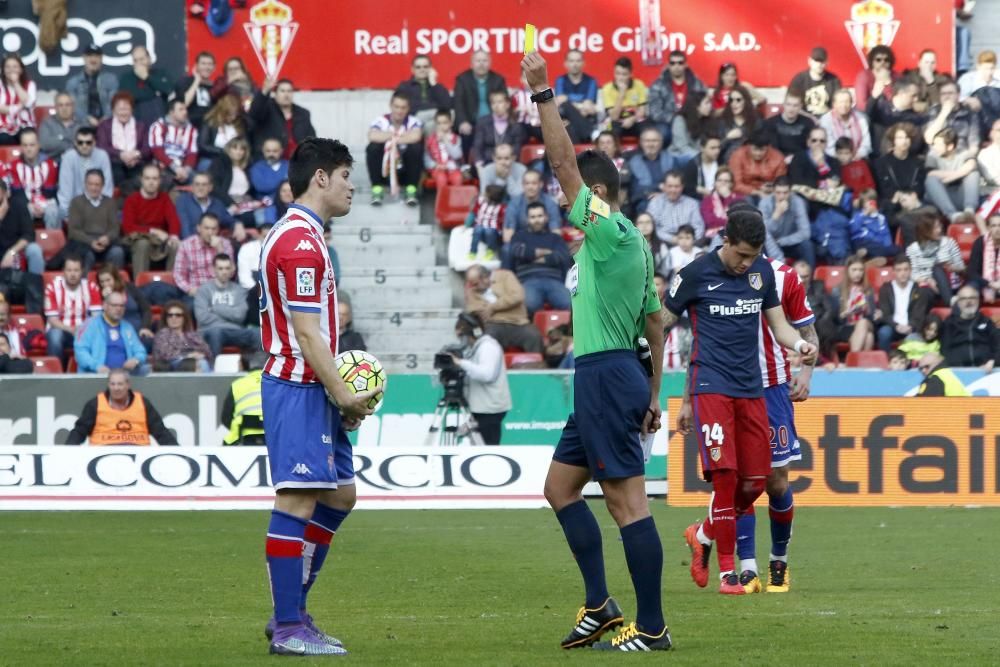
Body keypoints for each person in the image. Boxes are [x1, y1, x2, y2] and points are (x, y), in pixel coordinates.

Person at [520, 50, 673, 653]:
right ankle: (600, 605)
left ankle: (655, 628)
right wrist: (657, 393)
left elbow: (562, 164)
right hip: (609, 376)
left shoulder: (609, 231)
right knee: (560, 488)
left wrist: (542, 93)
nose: (566, 199)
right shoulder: (613, 249)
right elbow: (657, 323)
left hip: (608, 375)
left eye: (579, 191)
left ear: (599, 192)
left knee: (626, 503)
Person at [257, 137, 376, 656]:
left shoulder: (305, 237)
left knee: (340, 495)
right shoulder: (301, 244)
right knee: (297, 500)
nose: (353, 185)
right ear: (321, 177)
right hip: (300, 385)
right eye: (346, 174)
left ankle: (290, 609)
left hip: (314, 387)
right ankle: (288, 626)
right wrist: (345, 394)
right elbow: (307, 334)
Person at [671, 207, 817, 596]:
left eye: (753, 256)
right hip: (713, 387)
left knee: (761, 481)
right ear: (725, 240)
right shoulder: (696, 274)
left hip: (761, 389)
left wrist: (803, 348)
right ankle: (733, 572)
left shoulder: (768, 274)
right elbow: (668, 329)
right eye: (741, 255)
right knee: (726, 476)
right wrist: (680, 396)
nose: (746, 264)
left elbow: (786, 324)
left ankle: (702, 533)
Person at [731, 253, 819, 594]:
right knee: (742, 480)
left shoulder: (784, 277)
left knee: (776, 481)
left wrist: (807, 373)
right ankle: (748, 568)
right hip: (732, 390)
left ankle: (778, 560)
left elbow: (807, 330)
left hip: (773, 389)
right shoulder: (714, 272)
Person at [66, 369, 177, 444]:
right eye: (112, 384)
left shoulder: (142, 403)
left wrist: (178, 453)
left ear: (128, 385)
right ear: (108, 385)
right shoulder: (95, 404)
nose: (116, 388)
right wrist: (65, 452)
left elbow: (161, 432)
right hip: (103, 454)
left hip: (138, 453)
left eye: (120, 384)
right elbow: (79, 432)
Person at [449, 311, 511, 445]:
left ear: (468, 334)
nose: (460, 341)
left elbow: (486, 374)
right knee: (478, 448)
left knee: (487, 451)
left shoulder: (488, 347)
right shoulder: (475, 348)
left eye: (461, 337)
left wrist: (460, 363)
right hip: (481, 408)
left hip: (489, 409)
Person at [509, 202, 572, 315]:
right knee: (529, 305)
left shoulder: (555, 238)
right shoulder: (519, 236)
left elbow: (562, 256)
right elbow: (516, 251)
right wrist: (546, 253)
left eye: (539, 216)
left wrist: (531, 255)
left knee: (570, 303)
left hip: (554, 281)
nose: (537, 220)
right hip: (528, 281)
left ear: (546, 217)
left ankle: (564, 331)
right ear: (527, 219)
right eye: (533, 217)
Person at [464, 264, 543, 354]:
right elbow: (476, 309)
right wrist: (506, 304)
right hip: (493, 324)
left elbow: (517, 297)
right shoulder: (472, 290)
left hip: (517, 322)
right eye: (471, 284)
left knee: (533, 335)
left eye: (475, 284)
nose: (473, 287)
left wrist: (492, 307)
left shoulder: (505, 276)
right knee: (486, 339)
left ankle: (535, 365)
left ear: (485, 278)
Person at [120, 163, 181, 274]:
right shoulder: (131, 200)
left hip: (160, 243)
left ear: (159, 181)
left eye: (154, 179)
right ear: (141, 180)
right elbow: (128, 227)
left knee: (175, 245)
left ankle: (170, 284)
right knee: (143, 244)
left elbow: (174, 220)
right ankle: (140, 286)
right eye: (147, 178)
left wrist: (174, 236)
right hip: (137, 240)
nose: (151, 182)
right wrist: (153, 231)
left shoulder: (164, 198)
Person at [366, 92, 423, 206]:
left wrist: (389, 138)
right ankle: (377, 190)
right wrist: (401, 136)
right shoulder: (381, 120)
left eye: (403, 107)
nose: (399, 111)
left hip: (405, 171)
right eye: (396, 107)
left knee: (416, 148)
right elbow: (372, 136)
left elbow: (416, 136)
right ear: (391, 106)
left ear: (408, 108)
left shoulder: (414, 121)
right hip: (385, 171)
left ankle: (411, 191)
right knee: (373, 147)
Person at [44, 253, 102, 364]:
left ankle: (94, 370)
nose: (73, 274)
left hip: (85, 330)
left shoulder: (91, 287)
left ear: (82, 271)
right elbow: (53, 321)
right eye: (69, 270)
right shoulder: (52, 288)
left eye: (76, 270)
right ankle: (56, 375)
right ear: (63, 271)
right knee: (55, 335)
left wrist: (82, 329)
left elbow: (97, 317)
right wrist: (71, 329)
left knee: (99, 332)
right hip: (61, 330)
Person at [194, 253, 255, 357]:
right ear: (214, 270)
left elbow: (240, 316)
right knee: (216, 333)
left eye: (227, 268)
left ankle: (257, 369)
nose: (224, 272)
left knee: (257, 334)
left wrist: (214, 309)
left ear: (231, 270)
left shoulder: (239, 290)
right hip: (210, 331)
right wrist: (230, 315)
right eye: (220, 268)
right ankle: (213, 371)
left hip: (235, 331)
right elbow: (202, 317)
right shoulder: (203, 290)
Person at [74, 290, 148, 375]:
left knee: (146, 369)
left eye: (122, 306)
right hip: (96, 375)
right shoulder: (89, 325)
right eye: (114, 305)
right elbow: (80, 352)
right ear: (105, 306)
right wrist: (97, 366)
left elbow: (140, 351)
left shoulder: (128, 327)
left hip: (124, 377)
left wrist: (136, 360)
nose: (119, 309)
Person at [65, 168, 123, 271]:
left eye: (97, 185)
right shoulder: (76, 202)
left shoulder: (110, 203)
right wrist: (91, 242)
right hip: (85, 244)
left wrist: (107, 238)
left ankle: (115, 284)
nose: (93, 188)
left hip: (105, 244)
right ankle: (84, 283)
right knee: (86, 254)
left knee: (117, 252)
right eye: (91, 184)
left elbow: (115, 228)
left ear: (102, 185)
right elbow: (73, 231)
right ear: (85, 184)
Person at [0, 183, 44, 313]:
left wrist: (12, 251)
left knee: (34, 249)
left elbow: (29, 234)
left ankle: (37, 296)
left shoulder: (18, 205)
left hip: (16, 253)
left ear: (6, 193)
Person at [453, 51, 507, 155]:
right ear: (472, 63)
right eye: (478, 61)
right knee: (466, 134)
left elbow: (504, 102)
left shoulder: (498, 79)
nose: (481, 64)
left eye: (484, 60)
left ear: (490, 63)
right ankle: (466, 166)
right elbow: (458, 103)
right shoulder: (462, 79)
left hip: (493, 121)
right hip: (471, 123)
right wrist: (463, 121)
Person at [648, 49, 707, 144]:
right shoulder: (658, 84)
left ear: (685, 65)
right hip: (667, 123)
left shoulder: (696, 82)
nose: (677, 66)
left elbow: (706, 102)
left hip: (692, 121)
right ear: (668, 65)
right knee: (662, 133)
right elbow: (654, 112)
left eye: (680, 63)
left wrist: (701, 110)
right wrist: (676, 119)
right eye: (673, 63)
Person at [96, 91, 151, 194]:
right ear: (113, 110)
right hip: (114, 163)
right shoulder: (105, 126)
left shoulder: (141, 126)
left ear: (132, 110)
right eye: (120, 109)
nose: (123, 112)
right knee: (117, 173)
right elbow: (102, 147)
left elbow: (147, 149)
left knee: (141, 175)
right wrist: (121, 154)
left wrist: (135, 154)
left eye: (126, 109)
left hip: (136, 162)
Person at [875, 254, 931, 351]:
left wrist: (911, 326)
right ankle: (887, 362)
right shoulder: (886, 289)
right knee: (884, 332)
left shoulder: (919, 290)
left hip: (911, 327)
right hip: (892, 326)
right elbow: (885, 313)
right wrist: (896, 326)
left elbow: (919, 314)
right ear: (893, 271)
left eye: (906, 269)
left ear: (910, 270)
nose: (903, 273)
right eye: (899, 270)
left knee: (916, 336)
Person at [249, 78, 316, 159]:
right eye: (282, 91)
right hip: (271, 160)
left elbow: (311, 139)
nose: (286, 94)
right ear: (275, 93)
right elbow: (254, 113)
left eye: (289, 91)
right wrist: (264, 91)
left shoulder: (303, 113)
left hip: (297, 162)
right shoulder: (266, 108)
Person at [906, 213, 965, 304]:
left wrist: (952, 267)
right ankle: (950, 301)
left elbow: (961, 266)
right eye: (935, 228)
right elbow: (913, 274)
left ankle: (949, 300)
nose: (939, 230)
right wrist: (927, 280)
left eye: (939, 226)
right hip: (928, 286)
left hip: (950, 283)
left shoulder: (948, 242)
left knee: (937, 268)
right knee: (923, 293)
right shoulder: (913, 249)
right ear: (924, 230)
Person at [56, 126, 113, 219]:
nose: (84, 145)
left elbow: (107, 189)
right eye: (80, 142)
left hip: (98, 210)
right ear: (75, 143)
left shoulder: (102, 156)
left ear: (94, 143)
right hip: (74, 210)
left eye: (88, 142)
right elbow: (65, 192)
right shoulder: (68, 157)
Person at [8, 128, 60, 229]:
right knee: (22, 210)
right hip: (25, 204)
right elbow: (17, 194)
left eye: (32, 145)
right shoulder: (14, 166)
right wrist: (30, 205)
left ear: (38, 145)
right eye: (25, 145)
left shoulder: (50, 165)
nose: (28, 149)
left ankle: (52, 242)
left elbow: (50, 193)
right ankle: (26, 240)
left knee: (53, 211)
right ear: (21, 147)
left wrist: (41, 205)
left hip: (46, 202)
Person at [173, 213, 234, 299]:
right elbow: (178, 274)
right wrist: (190, 289)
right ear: (199, 228)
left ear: (218, 230)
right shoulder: (186, 245)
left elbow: (231, 274)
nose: (210, 232)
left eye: (214, 229)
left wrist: (220, 250)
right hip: (195, 292)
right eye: (207, 228)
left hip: (220, 292)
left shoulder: (225, 244)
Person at [758, 177, 814, 268]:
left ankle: (808, 280)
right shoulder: (764, 203)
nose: (782, 196)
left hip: (790, 242)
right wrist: (776, 215)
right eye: (778, 192)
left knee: (807, 245)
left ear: (791, 192)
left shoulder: (798, 202)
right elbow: (762, 231)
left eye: (785, 193)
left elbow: (805, 233)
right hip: (769, 244)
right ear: (773, 191)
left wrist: (782, 241)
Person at [940, 286, 1000, 370]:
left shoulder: (987, 322)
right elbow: (944, 350)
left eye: (972, 298)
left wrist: (993, 361)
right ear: (958, 302)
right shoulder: (949, 323)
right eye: (964, 298)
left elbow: (998, 345)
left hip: (986, 371)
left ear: (978, 300)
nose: (968, 301)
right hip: (958, 372)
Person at [95, 263, 153, 350]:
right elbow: (101, 319)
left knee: (148, 341)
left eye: (108, 280)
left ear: (115, 278)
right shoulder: (99, 295)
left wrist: (144, 327)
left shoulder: (130, 288)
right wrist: (105, 299)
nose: (105, 284)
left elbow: (146, 310)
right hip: (115, 333)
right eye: (102, 281)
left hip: (138, 330)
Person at [925, 127, 980, 219]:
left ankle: (969, 211)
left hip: (961, 195)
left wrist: (948, 178)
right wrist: (961, 172)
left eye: (938, 145)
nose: (935, 147)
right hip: (940, 195)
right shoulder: (932, 155)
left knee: (973, 174)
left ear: (950, 146)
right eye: (934, 144)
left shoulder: (964, 153)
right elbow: (931, 173)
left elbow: (971, 166)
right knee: (931, 180)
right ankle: (952, 215)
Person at [148, 98, 199, 189]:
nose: (185, 112)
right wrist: (175, 168)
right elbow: (158, 151)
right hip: (163, 166)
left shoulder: (191, 130)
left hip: (183, 168)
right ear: (171, 112)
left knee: (200, 182)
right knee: (165, 180)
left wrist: (186, 171)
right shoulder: (158, 126)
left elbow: (192, 154)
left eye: (185, 109)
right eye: (181, 109)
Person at [116, 45, 173, 125]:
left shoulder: (160, 74)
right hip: (137, 121)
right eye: (135, 60)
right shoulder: (126, 78)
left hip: (161, 120)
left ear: (149, 59)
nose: (139, 63)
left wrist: (146, 77)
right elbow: (127, 98)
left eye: (142, 59)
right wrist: (154, 92)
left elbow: (168, 89)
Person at [875, 122, 925, 213]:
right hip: (893, 203)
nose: (904, 141)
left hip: (914, 201)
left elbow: (919, 185)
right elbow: (884, 188)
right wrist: (901, 198)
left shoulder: (918, 162)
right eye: (900, 138)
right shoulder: (882, 163)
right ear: (893, 140)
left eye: (907, 137)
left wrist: (913, 195)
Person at [831, 255, 877, 353]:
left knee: (863, 322)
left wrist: (867, 308)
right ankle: (859, 365)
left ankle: (853, 358)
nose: (858, 273)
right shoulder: (837, 290)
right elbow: (835, 318)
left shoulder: (868, 289)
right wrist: (844, 314)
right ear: (847, 271)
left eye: (860, 270)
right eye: (854, 270)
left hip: (866, 323)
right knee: (869, 336)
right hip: (846, 326)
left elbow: (872, 316)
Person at [626, 127, 676, 215]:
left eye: (654, 141)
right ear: (641, 143)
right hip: (645, 201)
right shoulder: (633, 163)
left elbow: (677, 183)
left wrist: (662, 196)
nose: (651, 144)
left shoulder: (671, 160)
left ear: (661, 143)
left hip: (669, 198)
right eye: (647, 141)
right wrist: (657, 188)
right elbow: (635, 191)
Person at [646, 170, 704, 245]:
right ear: (664, 186)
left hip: (689, 243)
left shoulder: (692, 204)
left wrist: (687, 240)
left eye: (677, 186)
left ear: (682, 187)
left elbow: (699, 228)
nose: (673, 190)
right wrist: (672, 239)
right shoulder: (655, 203)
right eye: (670, 186)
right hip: (663, 243)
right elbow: (653, 228)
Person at [922, 80, 981, 154]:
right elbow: (929, 138)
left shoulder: (969, 114)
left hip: (961, 155)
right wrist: (944, 113)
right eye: (943, 94)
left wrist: (969, 159)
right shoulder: (934, 111)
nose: (947, 96)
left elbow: (974, 145)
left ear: (958, 95)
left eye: (950, 93)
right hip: (937, 157)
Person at [66, 44, 119, 126]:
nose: (93, 60)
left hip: (108, 124)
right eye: (89, 56)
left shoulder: (111, 79)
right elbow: (73, 106)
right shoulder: (73, 82)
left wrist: (106, 118)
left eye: (97, 56)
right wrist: (87, 119)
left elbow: (114, 102)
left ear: (101, 59)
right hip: (81, 125)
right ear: (84, 58)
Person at [152, 299, 212, 372]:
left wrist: (200, 354)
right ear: (166, 318)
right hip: (170, 365)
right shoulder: (162, 334)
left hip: (194, 361)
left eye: (178, 315)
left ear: (184, 318)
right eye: (170, 315)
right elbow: (166, 354)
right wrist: (189, 355)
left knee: (203, 363)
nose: (174, 318)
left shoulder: (192, 334)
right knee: (200, 364)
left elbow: (206, 350)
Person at [175, 170, 236, 240]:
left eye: (204, 185)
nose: (200, 188)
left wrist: (237, 224)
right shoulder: (183, 200)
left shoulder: (217, 204)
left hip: (212, 244)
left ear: (210, 187)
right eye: (197, 184)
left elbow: (229, 220)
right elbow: (185, 228)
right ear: (192, 187)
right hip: (190, 245)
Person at [503, 169, 561, 240]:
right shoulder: (514, 204)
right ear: (522, 185)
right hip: (521, 241)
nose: (530, 187)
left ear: (541, 184)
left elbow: (556, 232)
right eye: (527, 183)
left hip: (544, 241)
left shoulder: (550, 204)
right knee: (506, 249)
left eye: (534, 183)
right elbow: (507, 237)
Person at [472, 89, 524, 167]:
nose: (496, 106)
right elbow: (478, 146)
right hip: (487, 162)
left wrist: (508, 163)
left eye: (500, 102)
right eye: (493, 103)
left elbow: (516, 148)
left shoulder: (515, 125)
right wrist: (479, 165)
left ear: (507, 104)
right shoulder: (482, 122)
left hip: (509, 164)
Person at [395, 55, 451, 126]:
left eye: (425, 67)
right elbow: (399, 106)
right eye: (418, 67)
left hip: (434, 121)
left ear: (430, 68)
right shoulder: (405, 86)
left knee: (433, 124)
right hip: (413, 120)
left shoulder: (437, 86)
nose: (422, 70)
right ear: (412, 69)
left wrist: (433, 83)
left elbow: (447, 105)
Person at [600, 56, 648, 140]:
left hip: (635, 120)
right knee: (613, 134)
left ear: (630, 74)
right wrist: (622, 93)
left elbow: (642, 112)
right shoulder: (607, 88)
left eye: (624, 74)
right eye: (617, 73)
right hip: (617, 122)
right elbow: (614, 116)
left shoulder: (639, 85)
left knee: (647, 132)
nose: (620, 78)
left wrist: (632, 119)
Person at [730, 128, 786, 198]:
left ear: (768, 147)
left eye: (762, 150)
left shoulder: (778, 157)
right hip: (745, 192)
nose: (758, 153)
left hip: (771, 193)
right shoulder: (738, 155)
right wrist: (757, 192)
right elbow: (736, 184)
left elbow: (781, 183)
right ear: (749, 146)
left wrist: (771, 188)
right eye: (755, 149)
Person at [818, 89, 872, 160]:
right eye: (840, 102)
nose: (843, 105)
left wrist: (857, 156)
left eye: (847, 102)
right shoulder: (825, 120)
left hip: (858, 158)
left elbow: (866, 143)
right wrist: (844, 158)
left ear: (852, 103)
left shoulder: (861, 118)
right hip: (834, 160)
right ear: (834, 104)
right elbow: (828, 147)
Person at [787, 47, 842, 117]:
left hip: (827, 119)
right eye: (816, 61)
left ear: (827, 62)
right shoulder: (799, 80)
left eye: (822, 61)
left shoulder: (834, 80)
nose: (819, 64)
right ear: (809, 61)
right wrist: (810, 118)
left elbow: (839, 105)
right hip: (803, 119)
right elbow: (791, 104)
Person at [221, 360, 266, 445]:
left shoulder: (237, 384)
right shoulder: (275, 383)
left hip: (245, 435)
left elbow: (226, 417)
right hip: (273, 436)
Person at [197, 94, 247, 167]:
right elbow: (203, 145)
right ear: (222, 112)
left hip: (235, 161)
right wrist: (224, 151)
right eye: (229, 115)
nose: (233, 118)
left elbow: (244, 144)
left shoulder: (240, 124)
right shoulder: (210, 122)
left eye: (235, 114)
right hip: (213, 158)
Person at [850, 189, 899, 260]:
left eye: (872, 201)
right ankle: (871, 255)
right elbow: (853, 229)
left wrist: (887, 246)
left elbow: (885, 233)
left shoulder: (880, 217)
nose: (869, 203)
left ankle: (871, 258)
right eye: (866, 201)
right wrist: (865, 214)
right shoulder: (858, 215)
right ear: (862, 203)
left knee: (897, 250)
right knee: (867, 247)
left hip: (877, 244)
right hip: (862, 242)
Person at [250, 137, 290, 222]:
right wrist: (283, 181)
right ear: (263, 151)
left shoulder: (289, 166)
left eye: (275, 151)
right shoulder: (257, 168)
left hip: (287, 206)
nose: (271, 154)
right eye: (268, 151)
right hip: (264, 207)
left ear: (281, 151)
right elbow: (261, 187)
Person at [175, 51, 216, 130]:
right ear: (196, 66)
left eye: (210, 64)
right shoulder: (186, 81)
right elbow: (184, 103)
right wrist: (197, 80)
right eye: (203, 63)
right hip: (189, 127)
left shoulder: (215, 86)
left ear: (214, 67)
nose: (207, 67)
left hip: (209, 128)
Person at [763, 93, 814, 157]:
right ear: (783, 105)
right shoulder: (771, 123)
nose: (791, 109)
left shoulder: (808, 123)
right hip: (778, 160)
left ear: (800, 107)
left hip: (801, 159)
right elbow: (772, 149)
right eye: (788, 104)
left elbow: (811, 147)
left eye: (795, 105)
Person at [424, 109, 464, 190]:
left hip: (453, 168)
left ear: (451, 123)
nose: (441, 126)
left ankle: (455, 201)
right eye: (438, 123)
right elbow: (426, 158)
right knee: (441, 178)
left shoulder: (456, 138)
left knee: (458, 178)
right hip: (437, 169)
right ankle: (443, 201)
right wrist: (435, 165)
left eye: (445, 123)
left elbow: (457, 155)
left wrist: (446, 141)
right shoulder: (430, 140)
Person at [717, 85, 759, 162]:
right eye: (731, 100)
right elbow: (715, 150)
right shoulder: (723, 122)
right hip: (726, 165)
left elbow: (760, 147)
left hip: (749, 164)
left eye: (738, 100)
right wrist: (728, 138)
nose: (734, 103)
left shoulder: (755, 122)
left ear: (746, 101)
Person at [669, 90, 714, 163]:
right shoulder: (680, 120)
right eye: (707, 103)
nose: (710, 106)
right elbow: (682, 146)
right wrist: (701, 157)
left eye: (710, 103)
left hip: (699, 157)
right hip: (679, 157)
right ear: (697, 106)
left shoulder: (707, 120)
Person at [699, 167, 742, 241]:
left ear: (731, 184)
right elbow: (710, 222)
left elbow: (738, 221)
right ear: (715, 183)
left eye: (726, 181)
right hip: (712, 237)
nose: (722, 183)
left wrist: (727, 197)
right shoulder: (707, 200)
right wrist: (728, 222)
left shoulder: (738, 199)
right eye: (719, 180)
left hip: (735, 235)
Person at [465, 184, 505, 261]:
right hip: (480, 225)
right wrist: (467, 224)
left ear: (493, 197)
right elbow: (474, 212)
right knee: (477, 230)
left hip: (493, 230)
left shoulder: (501, 208)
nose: (484, 195)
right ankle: (473, 251)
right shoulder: (480, 201)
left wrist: (501, 232)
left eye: (486, 194)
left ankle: (490, 250)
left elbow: (502, 221)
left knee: (489, 231)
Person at [38, 92, 82, 159]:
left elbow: (84, 145)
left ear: (73, 107)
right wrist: (70, 141)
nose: (64, 108)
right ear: (55, 107)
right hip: (53, 162)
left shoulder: (81, 124)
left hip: (76, 163)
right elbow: (44, 144)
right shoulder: (47, 123)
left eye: (67, 105)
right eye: (60, 105)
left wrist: (59, 138)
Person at [967, 213, 1000, 302]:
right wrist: (990, 284)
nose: (997, 229)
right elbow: (972, 272)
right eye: (994, 226)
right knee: (970, 289)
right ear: (989, 228)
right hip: (984, 283)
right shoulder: (980, 242)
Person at [855, 45, 898, 112]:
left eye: (886, 60)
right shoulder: (864, 76)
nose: (882, 62)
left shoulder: (896, 76)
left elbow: (897, 102)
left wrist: (888, 83)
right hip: (869, 114)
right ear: (872, 61)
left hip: (891, 114)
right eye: (878, 60)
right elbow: (861, 105)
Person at [682, 134, 722, 199]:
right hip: (699, 200)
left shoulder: (721, 162)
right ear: (702, 148)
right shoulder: (693, 164)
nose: (717, 151)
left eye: (718, 147)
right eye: (713, 148)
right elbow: (687, 188)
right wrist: (699, 190)